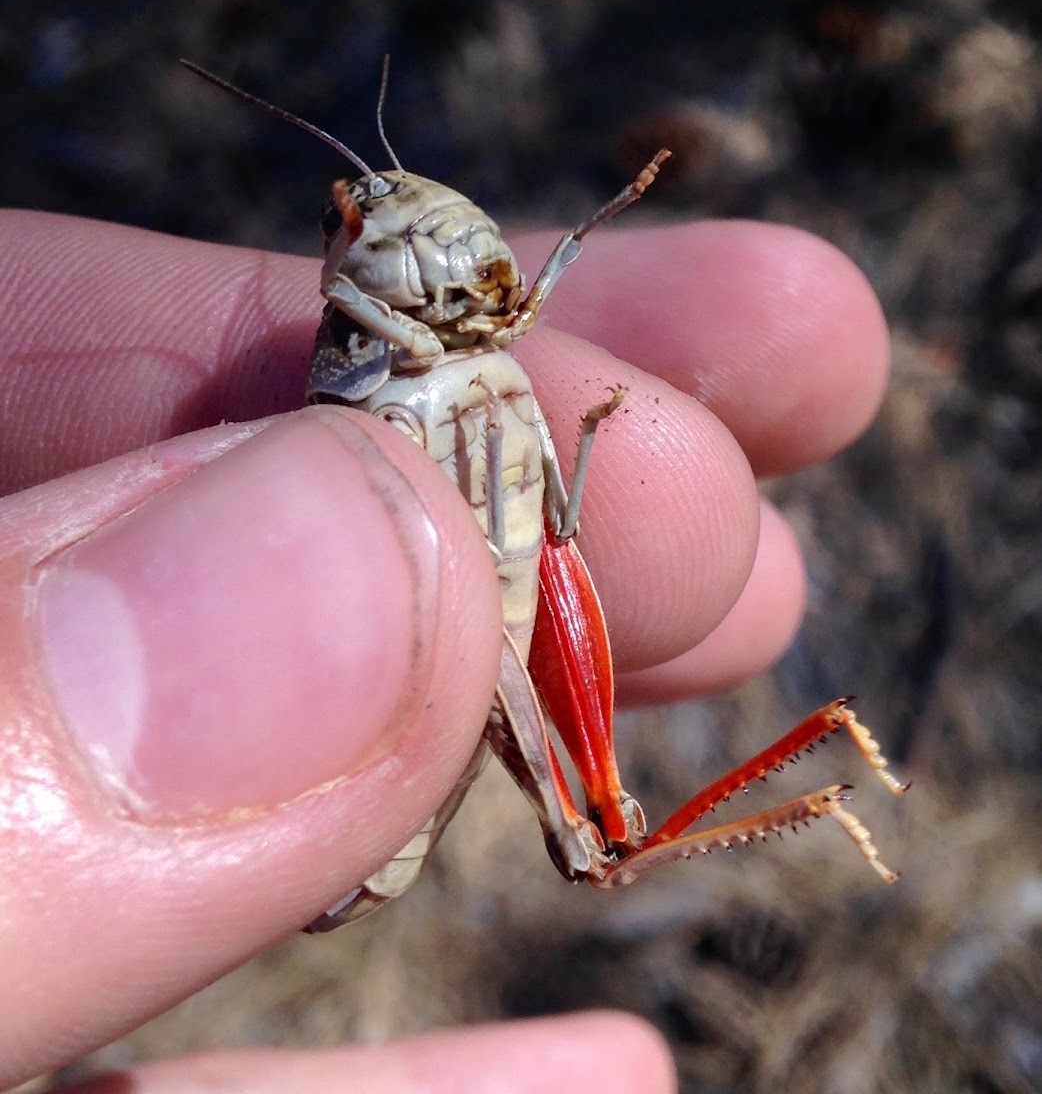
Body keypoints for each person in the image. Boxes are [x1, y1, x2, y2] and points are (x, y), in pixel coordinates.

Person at [0, 209, 888, 1093]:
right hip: (431, 649)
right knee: (592, 843)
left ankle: (718, 803)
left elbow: (563, 522)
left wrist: (581, 420)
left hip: (508, 590)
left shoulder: (493, 354)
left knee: (573, 596)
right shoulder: (366, 338)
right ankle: (781, 794)